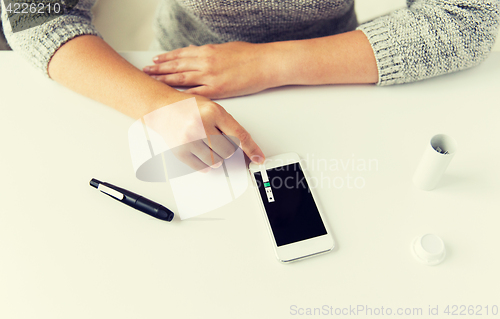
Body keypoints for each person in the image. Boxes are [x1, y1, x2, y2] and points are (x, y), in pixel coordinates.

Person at [2, 0, 499, 171]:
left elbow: (473, 17)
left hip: (339, 74)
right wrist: (158, 106)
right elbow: (33, 14)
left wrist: (269, 64)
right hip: (183, 71)